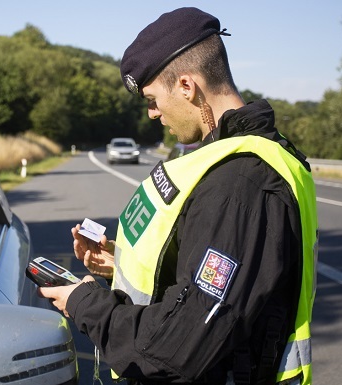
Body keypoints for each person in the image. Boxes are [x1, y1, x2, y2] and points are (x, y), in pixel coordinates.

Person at [38, 7, 318, 385]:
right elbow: (202, 274)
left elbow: (178, 348)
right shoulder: (222, 159)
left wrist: (85, 302)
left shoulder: (240, 181)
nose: (152, 113)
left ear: (187, 86)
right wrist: (119, 263)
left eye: (153, 99)